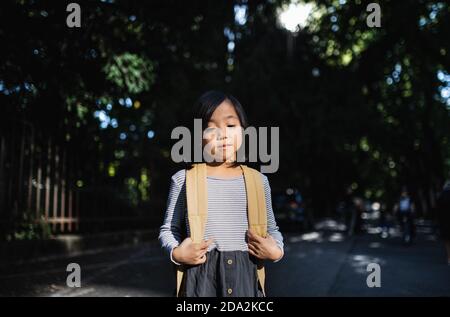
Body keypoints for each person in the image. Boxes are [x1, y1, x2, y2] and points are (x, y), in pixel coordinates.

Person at [159, 90, 284, 297]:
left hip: (247, 280)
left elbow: (272, 229)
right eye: (211, 128)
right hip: (199, 282)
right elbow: (168, 229)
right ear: (199, 136)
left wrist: (276, 251)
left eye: (231, 125)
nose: (222, 134)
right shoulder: (184, 179)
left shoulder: (258, 181)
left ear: (244, 130)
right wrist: (177, 253)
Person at [436, 180, 450, 265]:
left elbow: (438, 210)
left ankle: (449, 258)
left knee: (447, 241)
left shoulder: (441, 195)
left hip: (445, 221)